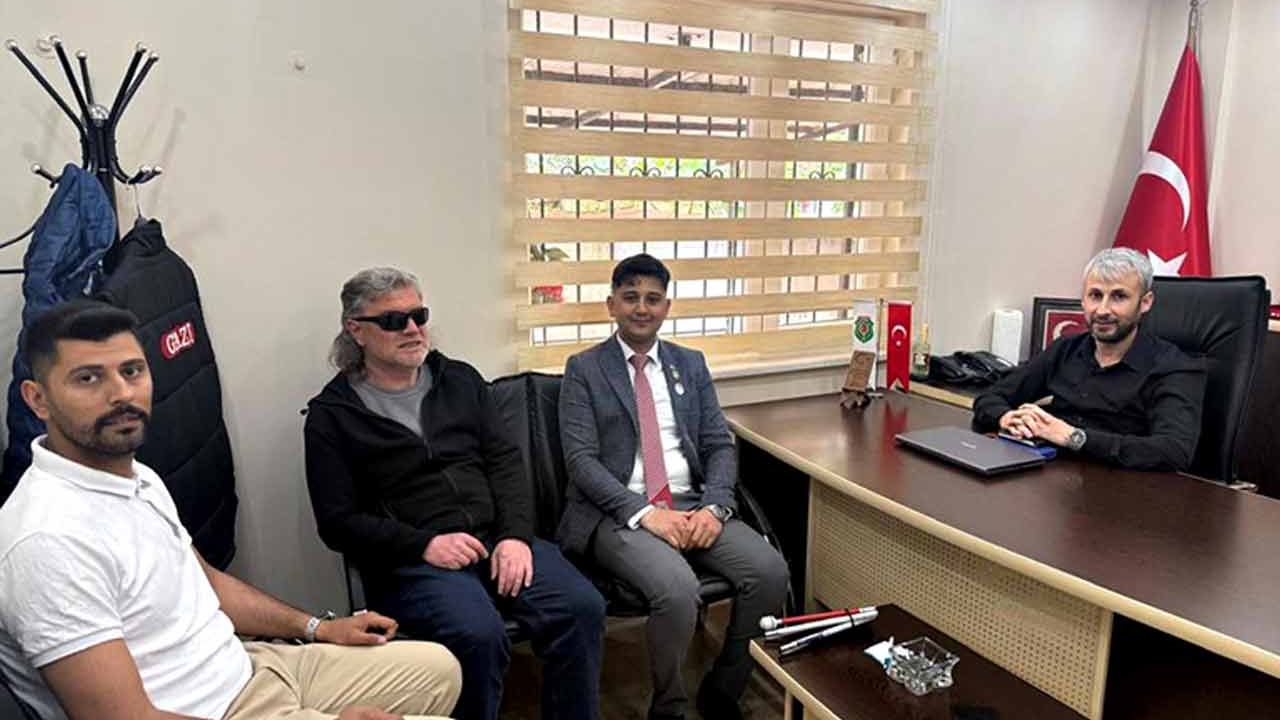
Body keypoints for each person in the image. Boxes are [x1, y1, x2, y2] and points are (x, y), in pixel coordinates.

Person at [0, 300, 461, 720]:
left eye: (132, 371)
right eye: (88, 378)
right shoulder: (47, 541)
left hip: (246, 666)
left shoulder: (136, 476)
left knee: (440, 669)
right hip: (210, 711)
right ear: (38, 399)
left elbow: (204, 581)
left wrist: (320, 629)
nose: (121, 393)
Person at [304, 268, 605, 720]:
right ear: (356, 330)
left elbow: (506, 464)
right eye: (393, 321)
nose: (412, 329)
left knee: (582, 607)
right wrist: (424, 545)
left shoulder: (460, 380)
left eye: (419, 316)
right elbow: (337, 522)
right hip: (412, 562)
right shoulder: (332, 417)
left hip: (495, 538)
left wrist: (515, 537)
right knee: (477, 635)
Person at [557, 254, 789, 720]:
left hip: (691, 503)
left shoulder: (690, 364)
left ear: (667, 306)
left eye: (653, 298)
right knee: (678, 589)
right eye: (631, 298)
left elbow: (718, 444)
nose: (642, 308)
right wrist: (647, 514)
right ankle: (669, 707)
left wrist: (715, 507)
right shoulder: (584, 369)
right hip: (619, 513)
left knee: (769, 571)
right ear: (611, 305)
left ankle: (724, 688)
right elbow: (581, 462)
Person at [972, 247, 1207, 470]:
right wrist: (1007, 417)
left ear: (1145, 303)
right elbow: (991, 397)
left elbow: (1174, 451)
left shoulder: (1174, 367)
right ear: (1083, 300)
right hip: (1051, 478)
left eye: (1118, 297)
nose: (1102, 310)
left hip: (1126, 487)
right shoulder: (1065, 349)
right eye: (1095, 295)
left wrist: (1075, 437)